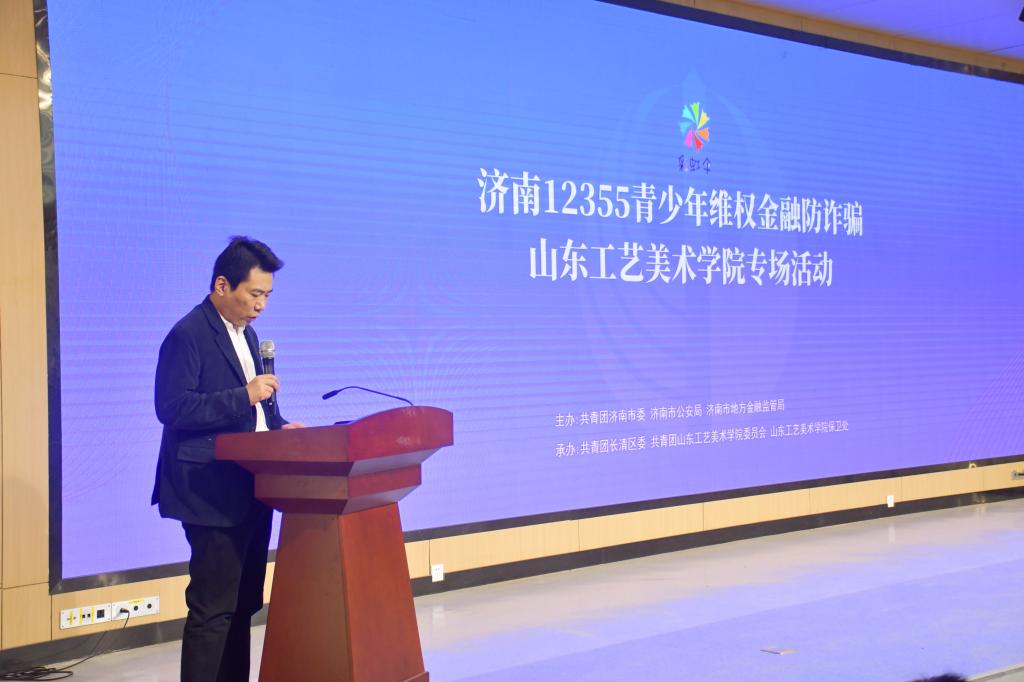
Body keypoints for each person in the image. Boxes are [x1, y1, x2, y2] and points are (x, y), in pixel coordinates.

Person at [151, 236, 304, 682]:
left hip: (251, 487)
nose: (261, 306)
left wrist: (279, 427)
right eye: (254, 294)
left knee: (242, 605)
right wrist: (244, 395)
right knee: (213, 609)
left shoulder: (248, 335)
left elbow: (253, 413)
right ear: (222, 285)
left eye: (267, 296)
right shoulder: (188, 334)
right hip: (210, 491)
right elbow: (172, 407)